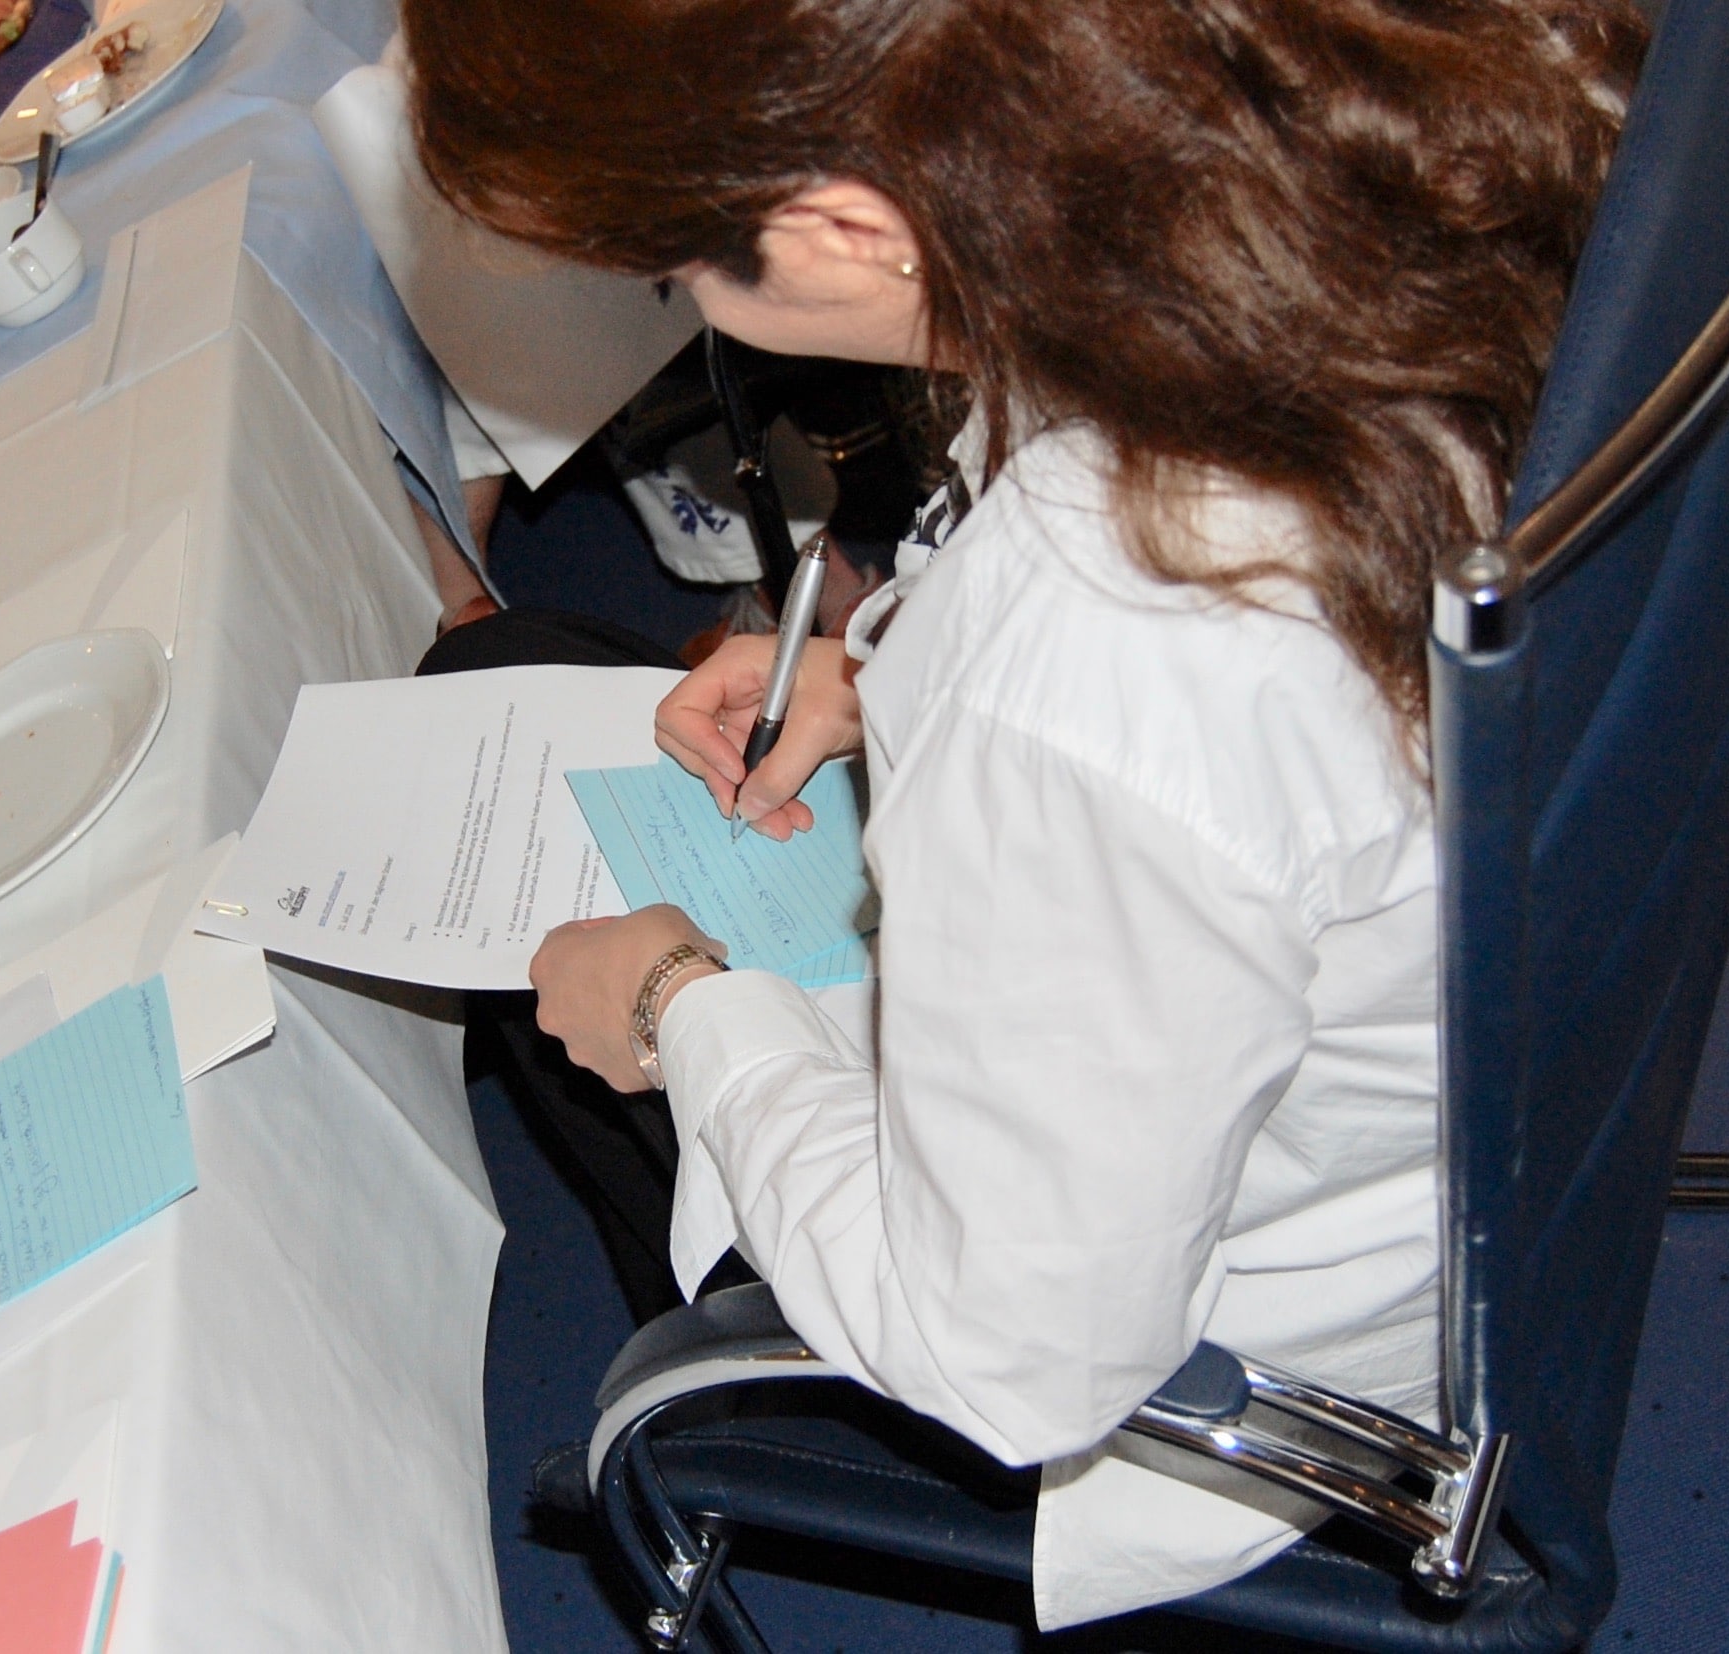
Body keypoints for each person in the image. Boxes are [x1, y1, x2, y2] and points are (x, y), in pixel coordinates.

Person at [409, 0, 1645, 1627]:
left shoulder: (1096, 659)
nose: (680, 299)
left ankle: (730, 1371)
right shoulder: (1371, 118)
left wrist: (673, 1006)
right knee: (512, 672)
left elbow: (1015, 1358)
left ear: (850, 225)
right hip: (1515, 1036)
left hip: (1262, 1353)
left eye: (671, 263)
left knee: (546, 914)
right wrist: (884, 656)